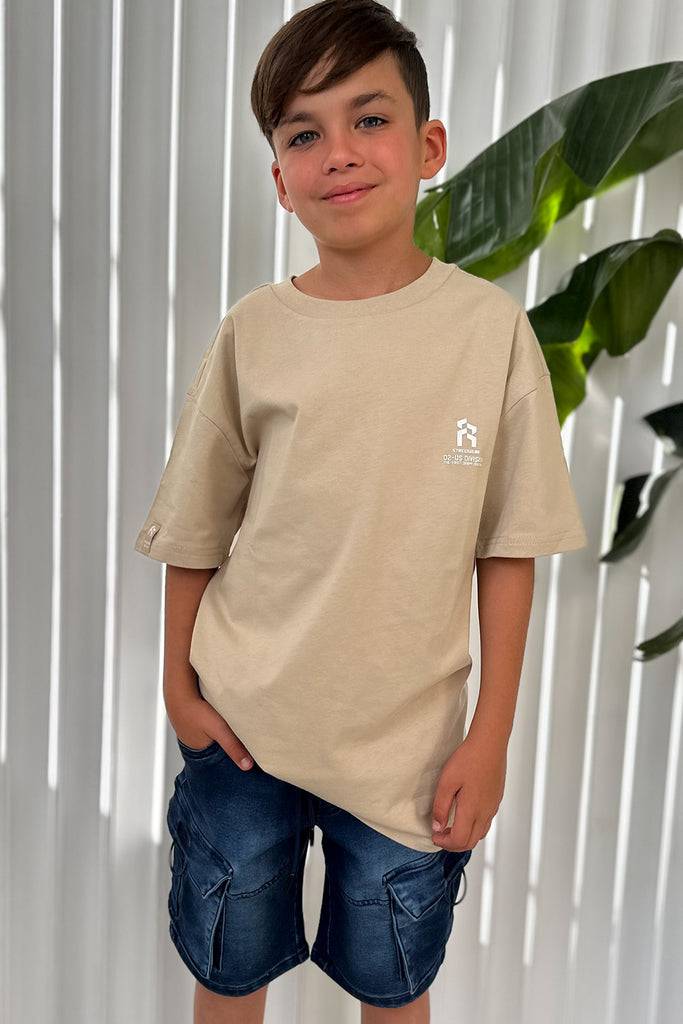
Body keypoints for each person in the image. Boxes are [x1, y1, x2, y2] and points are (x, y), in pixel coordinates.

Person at [135, 1, 586, 1020]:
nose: (337, 151)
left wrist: (490, 735)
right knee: (227, 970)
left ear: (428, 146)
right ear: (278, 179)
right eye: (303, 134)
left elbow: (508, 544)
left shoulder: (487, 332)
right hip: (241, 731)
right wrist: (178, 688)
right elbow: (196, 525)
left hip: (406, 752)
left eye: (368, 118)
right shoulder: (254, 331)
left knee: (393, 984)